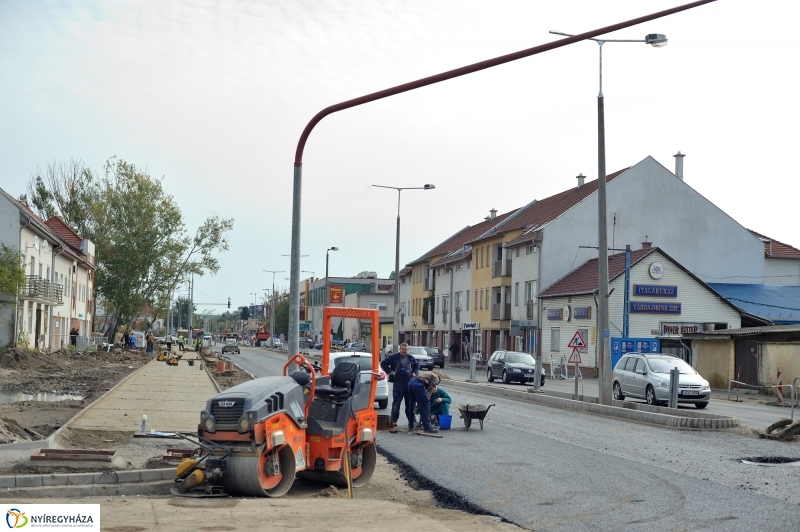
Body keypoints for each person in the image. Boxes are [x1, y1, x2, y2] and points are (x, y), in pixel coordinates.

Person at [380, 342, 419, 432]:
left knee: (410, 403)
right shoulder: (394, 357)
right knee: (396, 403)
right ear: (400, 349)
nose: (404, 351)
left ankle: (412, 421)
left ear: (407, 350)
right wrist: (391, 372)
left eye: (406, 349)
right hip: (398, 383)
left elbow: (417, 365)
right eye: (403, 349)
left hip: (409, 384)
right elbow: (383, 364)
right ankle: (393, 421)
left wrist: (415, 373)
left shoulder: (410, 358)